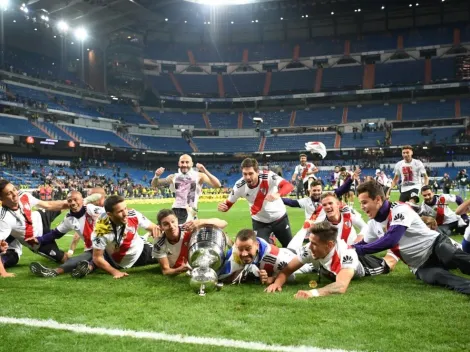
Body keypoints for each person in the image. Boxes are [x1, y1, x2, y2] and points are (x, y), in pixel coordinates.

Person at [353, 180, 470, 295]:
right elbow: (363, 243)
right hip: (419, 265)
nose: (362, 207)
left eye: (364, 202)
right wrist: (347, 249)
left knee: (450, 255)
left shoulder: (400, 209)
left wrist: (358, 250)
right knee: (439, 277)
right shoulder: (373, 224)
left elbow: (391, 240)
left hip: (435, 246)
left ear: (378, 199)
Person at [265, 221, 390, 298]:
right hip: (325, 267)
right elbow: (287, 270)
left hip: (364, 264)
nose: (310, 246)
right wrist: (277, 283)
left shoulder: (347, 254)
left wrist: (312, 293)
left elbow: (341, 286)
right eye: (310, 242)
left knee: (388, 263)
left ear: (329, 245)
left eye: (314, 243)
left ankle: (394, 246)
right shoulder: (309, 248)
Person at [29, 188, 106, 278]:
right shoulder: (69, 219)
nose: (73, 203)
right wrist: (38, 239)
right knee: (79, 258)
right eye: (70, 201)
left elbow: (110, 214)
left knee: (92, 258)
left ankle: (87, 268)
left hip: (108, 246)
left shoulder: (91, 209)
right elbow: (54, 234)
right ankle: (54, 272)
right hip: (93, 249)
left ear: (82, 200)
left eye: (75, 199)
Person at [76, 195, 159, 279]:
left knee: (167, 256)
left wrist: (156, 233)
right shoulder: (100, 231)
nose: (125, 214)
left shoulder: (133, 215)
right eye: (120, 211)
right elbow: (97, 257)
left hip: (140, 252)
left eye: (125, 208)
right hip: (115, 260)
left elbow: (155, 228)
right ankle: (91, 265)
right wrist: (115, 272)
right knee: (100, 257)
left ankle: (90, 266)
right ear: (109, 214)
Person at [218, 158, 294, 247]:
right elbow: (228, 205)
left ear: (257, 171)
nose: (247, 177)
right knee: (261, 252)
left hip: (279, 218)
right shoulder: (239, 186)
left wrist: (278, 194)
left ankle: (271, 238)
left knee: (290, 247)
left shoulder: (268, 176)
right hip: (260, 222)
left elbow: (288, 186)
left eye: (250, 173)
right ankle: (270, 239)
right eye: (244, 174)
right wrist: (223, 207)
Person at [0, 179, 70, 276]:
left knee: (66, 205)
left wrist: (76, 202)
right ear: (1, 198)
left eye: (14, 189)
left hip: (41, 217)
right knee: (63, 259)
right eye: (9, 193)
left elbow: (48, 205)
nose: (14, 194)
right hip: (37, 241)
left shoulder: (23, 196)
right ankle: (84, 262)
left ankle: (85, 203)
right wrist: (3, 272)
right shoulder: (4, 218)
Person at [218, 228, 313, 284]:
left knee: (309, 267)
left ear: (257, 245)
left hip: (288, 255)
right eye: (240, 249)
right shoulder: (233, 253)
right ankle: (305, 227)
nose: (244, 254)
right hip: (281, 253)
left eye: (248, 248)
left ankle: (305, 228)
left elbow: (290, 275)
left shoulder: (274, 256)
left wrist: (272, 278)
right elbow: (221, 276)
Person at [152, 208, 228, 276]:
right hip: (184, 266)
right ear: (161, 227)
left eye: (173, 222)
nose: (171, 226)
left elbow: (223, 223)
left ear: (177, 220)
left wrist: (200, 222)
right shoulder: (158, 243)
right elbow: (166, 271)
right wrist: (178, 270)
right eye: (166, 224)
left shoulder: (188, 228)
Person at [152, 154, 221, 224]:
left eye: (187, 162)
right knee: (162, 231)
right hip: (175, 210)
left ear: (192, 164)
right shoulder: (173, 177)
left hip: (190, 211)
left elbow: (217, 185)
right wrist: (156, 176)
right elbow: (155, 184)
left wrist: (204, 171)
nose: (184, 164)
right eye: (182, 162)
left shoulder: (199, 176)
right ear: (179, 163)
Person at [282, 168, 360, 225]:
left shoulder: (326, 197)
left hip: (325, 228)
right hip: (311, 229)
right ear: (310, 191)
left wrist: (350, 180)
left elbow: (341, 190)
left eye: (318, 190)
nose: (317, 192)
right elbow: (291, 202)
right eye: (314, 190)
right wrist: (278, 198)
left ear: (321, 190)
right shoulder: (305, 201)